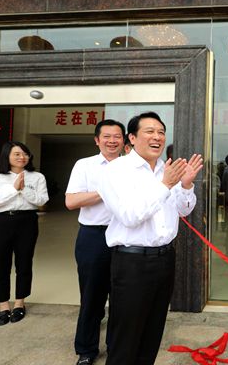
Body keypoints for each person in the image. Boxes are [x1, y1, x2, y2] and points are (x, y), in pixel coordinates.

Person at [98, 112, 203, 365]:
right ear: (132, 138)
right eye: (150, 131)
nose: (157, 137)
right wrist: (165, 185)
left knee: (153, 331)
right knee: (126, 335)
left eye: (161, 132)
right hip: (132, 263)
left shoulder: (167, 170)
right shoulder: (116, 170)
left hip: (165, 258)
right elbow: (129, 216)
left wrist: (186, 185)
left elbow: (183, 210)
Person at [65, 119, 125, 365]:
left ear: (125, 140)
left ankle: (116, 348)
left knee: (121, 297)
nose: (112, 141)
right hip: (93, 237)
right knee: (91, 296)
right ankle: (86, 350)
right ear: (97, 140)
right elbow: (71, 201)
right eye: (107, 136)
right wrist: (105, 192)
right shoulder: (85, 165)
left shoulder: (131, 167)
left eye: (117, 136)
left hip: (125, 237)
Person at [0, 141, 48, 326]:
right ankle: (3, 306)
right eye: (17, 154)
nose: (22, 157)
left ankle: (19, 303)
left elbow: (42, 200)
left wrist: (24, 189)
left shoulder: (37, 177)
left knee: (24, 263)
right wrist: (13, 189)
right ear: (7, 156)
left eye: (25, 154)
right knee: (0, 265)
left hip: (27, 221)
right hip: (0, 223)